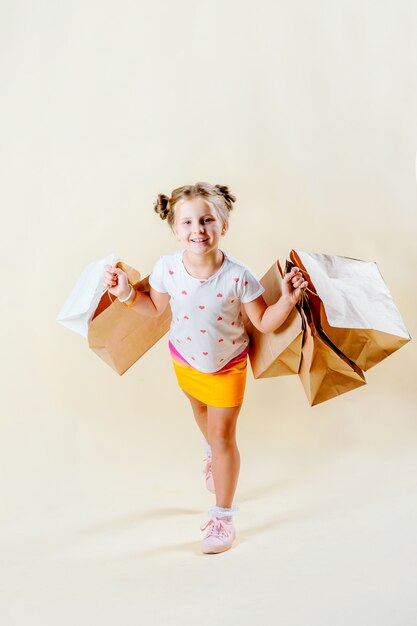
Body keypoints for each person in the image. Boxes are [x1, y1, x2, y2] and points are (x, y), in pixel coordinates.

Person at [103, 182, 307, 555]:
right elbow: (155, 309)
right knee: (198, 411)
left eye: (207, 220)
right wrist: (126, 294)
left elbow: (263, 322)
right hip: (184, 358)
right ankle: (212, 456)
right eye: (188, 222)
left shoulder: (237, 275)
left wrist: (290, 301)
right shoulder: (166, 268)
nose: (198, 229)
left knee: (223, 436)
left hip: (226, 366)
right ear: (175, 229)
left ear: (223, 225)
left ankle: (223, 518)